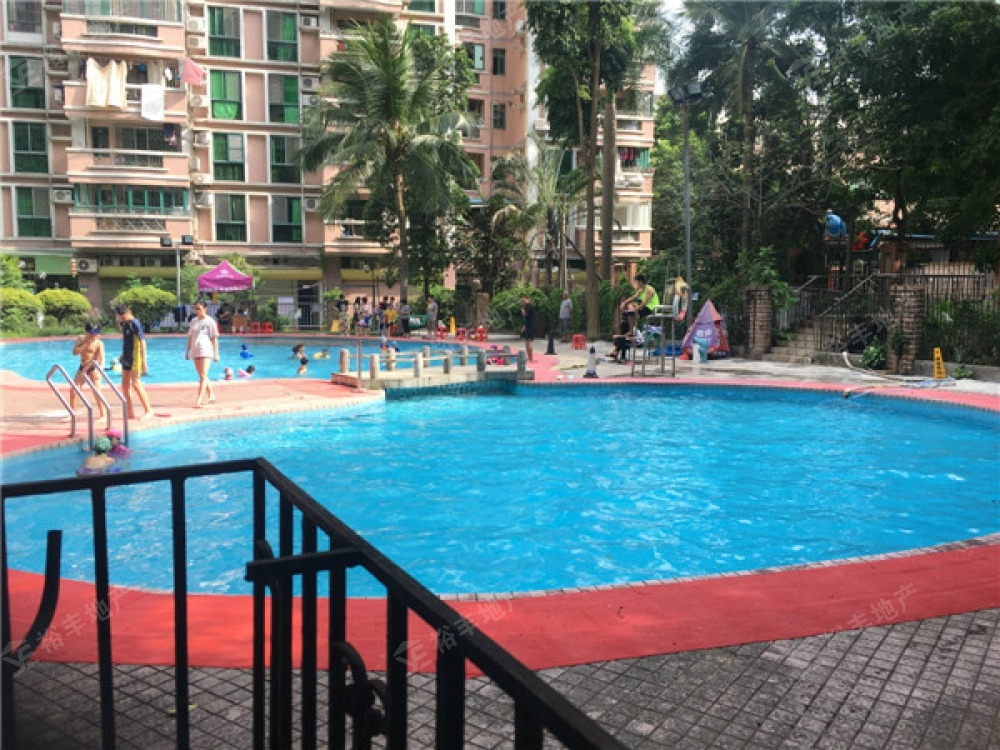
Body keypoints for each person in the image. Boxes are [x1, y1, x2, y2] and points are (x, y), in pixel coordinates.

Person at [115, 303, 152, 421]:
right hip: (127, 356)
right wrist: (122, 355)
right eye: (120, 316)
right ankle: (130, 411)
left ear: (129, 312)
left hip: (135, 357)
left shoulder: (135, 323)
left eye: (123, 315)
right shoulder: (124, 324)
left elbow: (142, 342)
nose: (122, 318)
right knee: (125, 385)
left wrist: (144, 361)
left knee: (136, 383)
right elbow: (127, 341)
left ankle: (148, 410)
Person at [185, 301, 220, 408]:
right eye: (196, 309)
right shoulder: (194, 321)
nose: (197, 311)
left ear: (205, 309)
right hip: (195, 350)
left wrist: (216, 354)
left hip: (206, 349)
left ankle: (198, 400)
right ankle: (211, 395)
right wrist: (187, 351)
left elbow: (214, 338)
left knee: (203, 375)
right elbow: (190, 337)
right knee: (201, 375)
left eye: (199, 309)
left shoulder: (210, 321)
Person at [70, 323, 106, 417]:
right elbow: (74, 352)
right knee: (74, 390)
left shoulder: (98, 343)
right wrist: (85, 344)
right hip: (82, 367)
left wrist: (100, 370)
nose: (93, 336)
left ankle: (103, 415)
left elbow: (100, 358)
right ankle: (72, 414)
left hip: (93, 368)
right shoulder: (80, 339)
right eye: (91, 333)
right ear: (86, 332)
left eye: (95, 333)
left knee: (97, 392)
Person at [520, 295, 536, 363]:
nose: (523, 303)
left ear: (527, 299)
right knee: (526, 342)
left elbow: (525, 315)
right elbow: (526, 318)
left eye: (523, 301)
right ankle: (529, 358)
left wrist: (522, 310)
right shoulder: (527, 306)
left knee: (529, 342)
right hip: (527, 326)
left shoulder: (530, 306)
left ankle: (531, 358)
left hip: (531, 326)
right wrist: (524, 326)